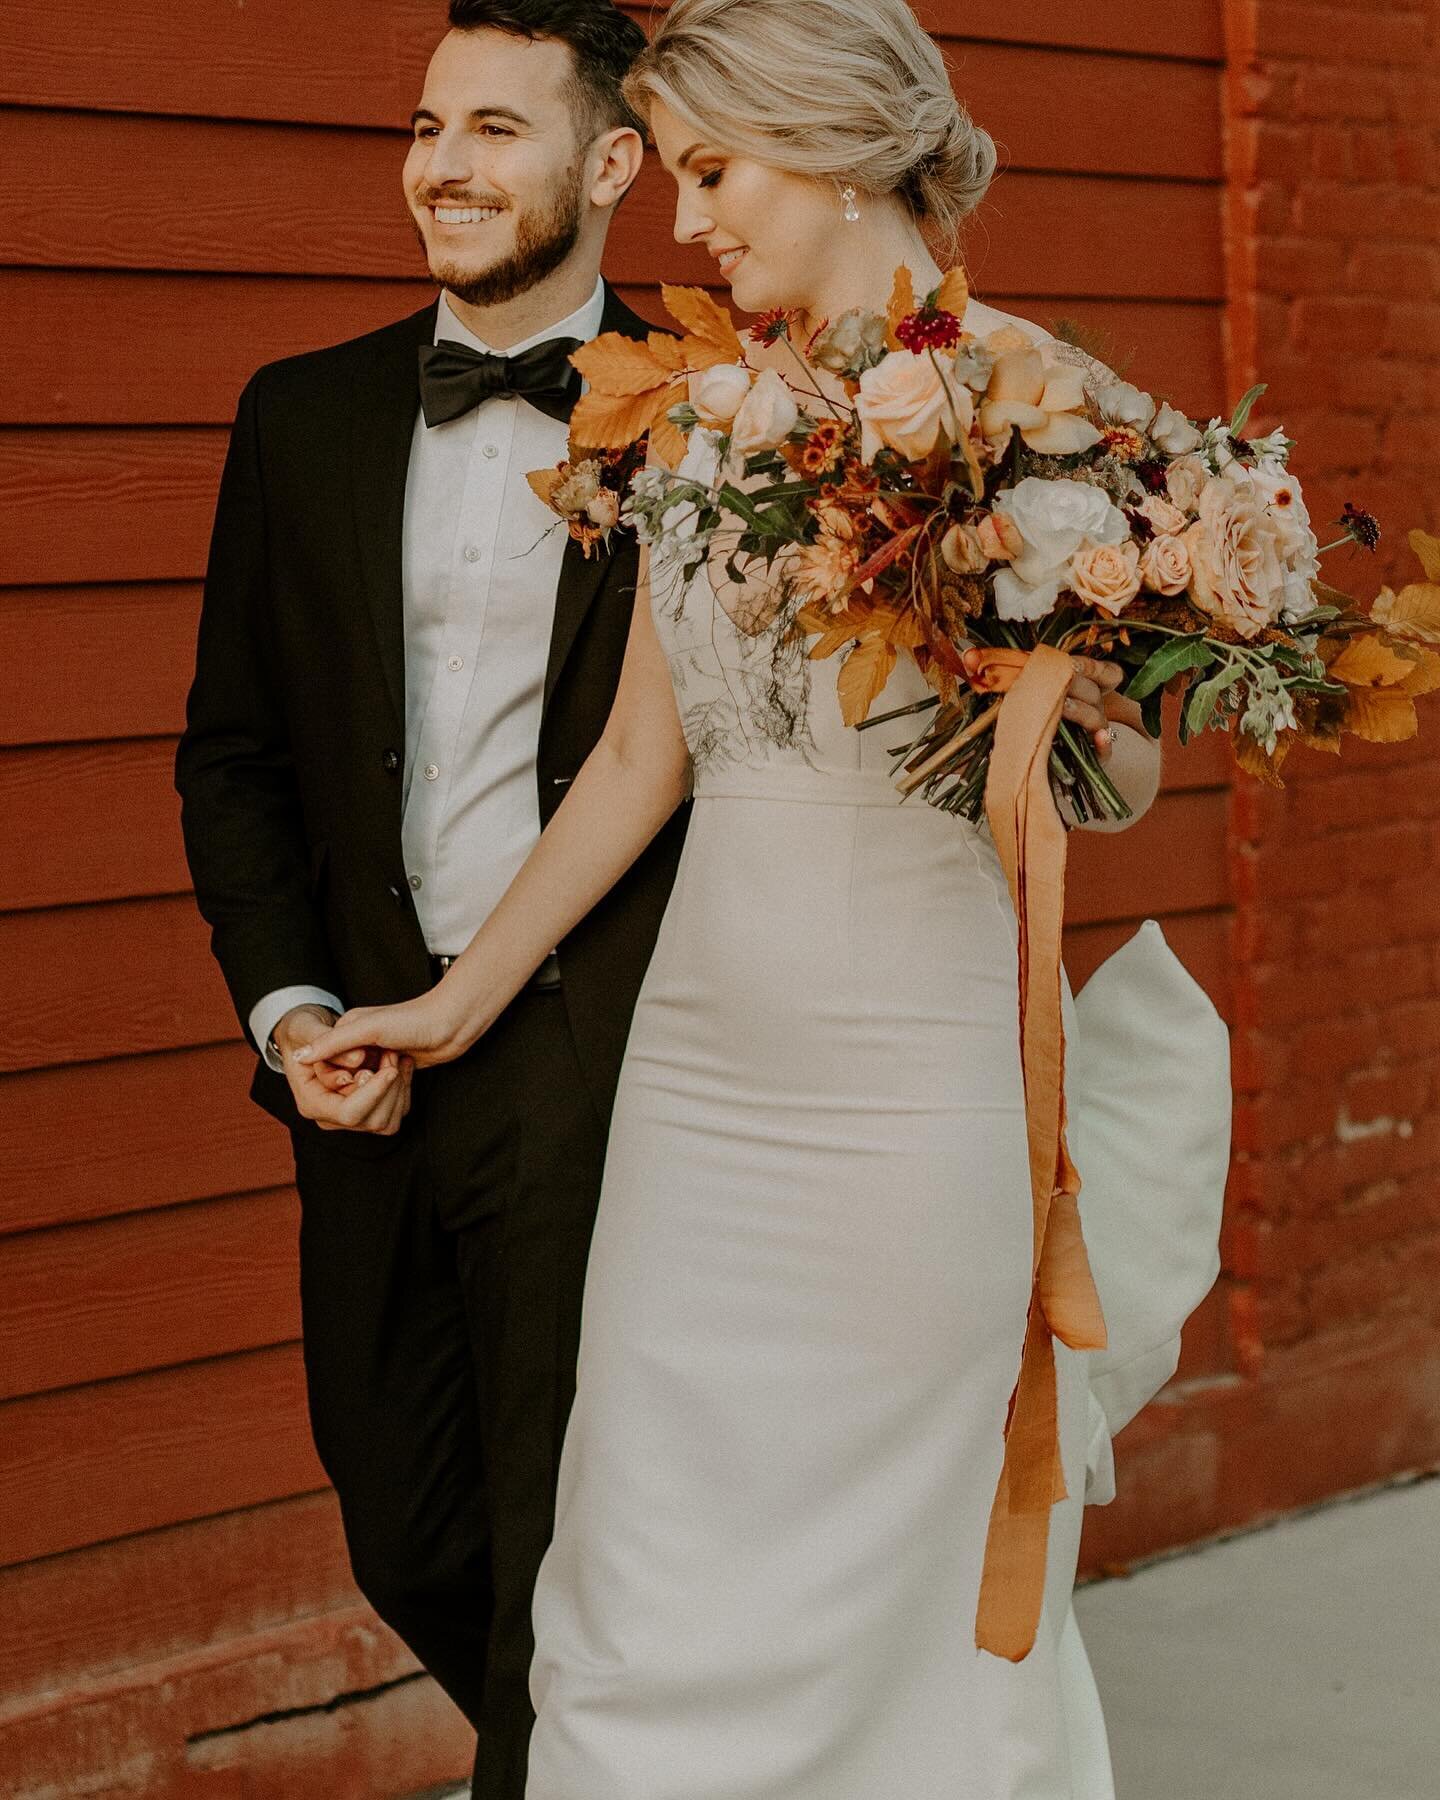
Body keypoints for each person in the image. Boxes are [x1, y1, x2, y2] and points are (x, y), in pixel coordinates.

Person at [305, 0, 1171, 1791]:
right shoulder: (703, 418)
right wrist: (453, 1000)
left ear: (840, 146)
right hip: (697, 1098)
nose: (684, 222)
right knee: (641, 1579)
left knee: (888, 1586)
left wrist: (1059, 688)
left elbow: (1130, 778)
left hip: (919, 1084)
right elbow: (643, 762)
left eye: (711, 172)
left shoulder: (1048, 406)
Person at [173, 4, 685, 1794]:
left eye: (494, 128)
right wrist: (293, 1007)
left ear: (611, 164)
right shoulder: (299, 417)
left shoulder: (722, 417)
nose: (442, 166)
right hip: (367, 1062)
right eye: (425, 124)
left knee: (565, 1539)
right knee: (404, 1521)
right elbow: (232, 758)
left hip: (592, 1057)